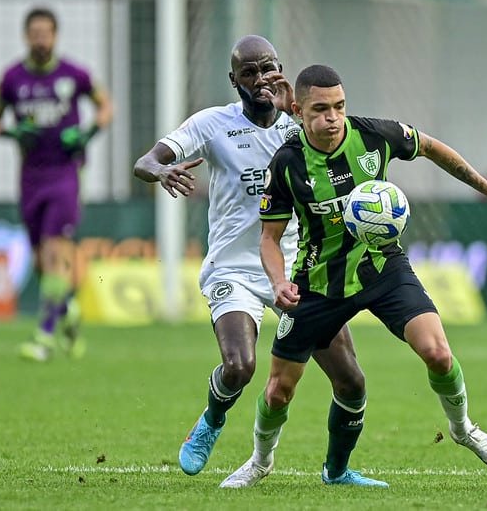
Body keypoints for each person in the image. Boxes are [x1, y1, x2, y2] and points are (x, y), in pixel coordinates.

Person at [220, 65, 487, 489]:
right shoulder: (287, 165)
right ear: (297, 110)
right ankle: (261, 461)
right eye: (320, 109)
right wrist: (279, 282)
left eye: (339, 106)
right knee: (279, 389)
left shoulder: (374, 136)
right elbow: (269, 237)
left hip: (383, 268)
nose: (332, 117)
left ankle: (463, 428)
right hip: (318, 283)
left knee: (439, 354)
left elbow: (430, 147)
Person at [133, 36, 366, 479]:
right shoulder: (212, 124)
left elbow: (344, 151)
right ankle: (211, 421)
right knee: (241, 366)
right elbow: (146, 160)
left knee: (350, 379)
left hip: (296, 269)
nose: (260, 79)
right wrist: (162, 170)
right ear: (233, 80)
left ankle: (337, 471)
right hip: (234, 267)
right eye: (249, 72)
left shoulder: (301, 126)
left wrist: (295, 112)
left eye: (268, 68)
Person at [0, 7, 113, 361]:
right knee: (42, 262)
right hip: (30, 178)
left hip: (65, 174)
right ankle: (68, 309)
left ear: (55, 35)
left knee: (56, 252)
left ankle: (43, 336)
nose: (40, 39)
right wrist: (10, 130)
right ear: (26, 36)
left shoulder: (74, 75)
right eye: (35, 33)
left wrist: (88, 131)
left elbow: (105, 107)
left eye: (46, 32)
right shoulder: (11, 79)